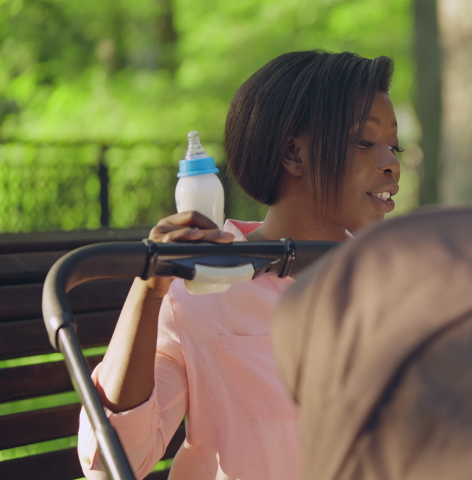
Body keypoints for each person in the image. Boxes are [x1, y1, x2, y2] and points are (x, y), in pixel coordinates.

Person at [77, 50, 401, 480]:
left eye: (393, 145)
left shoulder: (393, 285)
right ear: (294, 155)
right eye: (365, 141)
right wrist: (149, 290)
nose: (392, 163)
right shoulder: (202, 291)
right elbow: (111, 459)